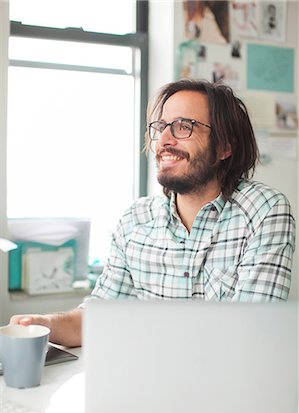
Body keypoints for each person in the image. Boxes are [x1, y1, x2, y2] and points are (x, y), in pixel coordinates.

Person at [10, 79, 296, 347]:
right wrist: (44, 324)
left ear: (224, 147)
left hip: (227, 389)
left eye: (184, 126)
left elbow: (250, 334)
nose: (164, 140)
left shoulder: (264, 211)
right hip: (146, 385)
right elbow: (99, 319)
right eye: (161, 127)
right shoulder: (135, 220)